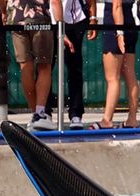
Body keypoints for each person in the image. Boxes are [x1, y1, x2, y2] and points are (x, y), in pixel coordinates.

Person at [9, 0, 66, 130]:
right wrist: (61, 26)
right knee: (44, 67)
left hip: (17, 17)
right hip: (40, 19)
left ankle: (35, 113)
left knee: (25, 67)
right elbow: (55, 1)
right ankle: (39, 113)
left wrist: (4, 12)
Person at [47, 0, 94, 128]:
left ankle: (76, 113)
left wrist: (93, 17)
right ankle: (44, 112)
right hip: (48, 18)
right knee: (45, 67)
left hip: (74, 19)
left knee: (75, 67)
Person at [96, 0, 139, 127]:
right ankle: (132, 119)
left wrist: (119, 34)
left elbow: (117, 5)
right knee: (130, 74)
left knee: (112, 77)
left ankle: (107, 120)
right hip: (129, 20)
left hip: (115, 21)